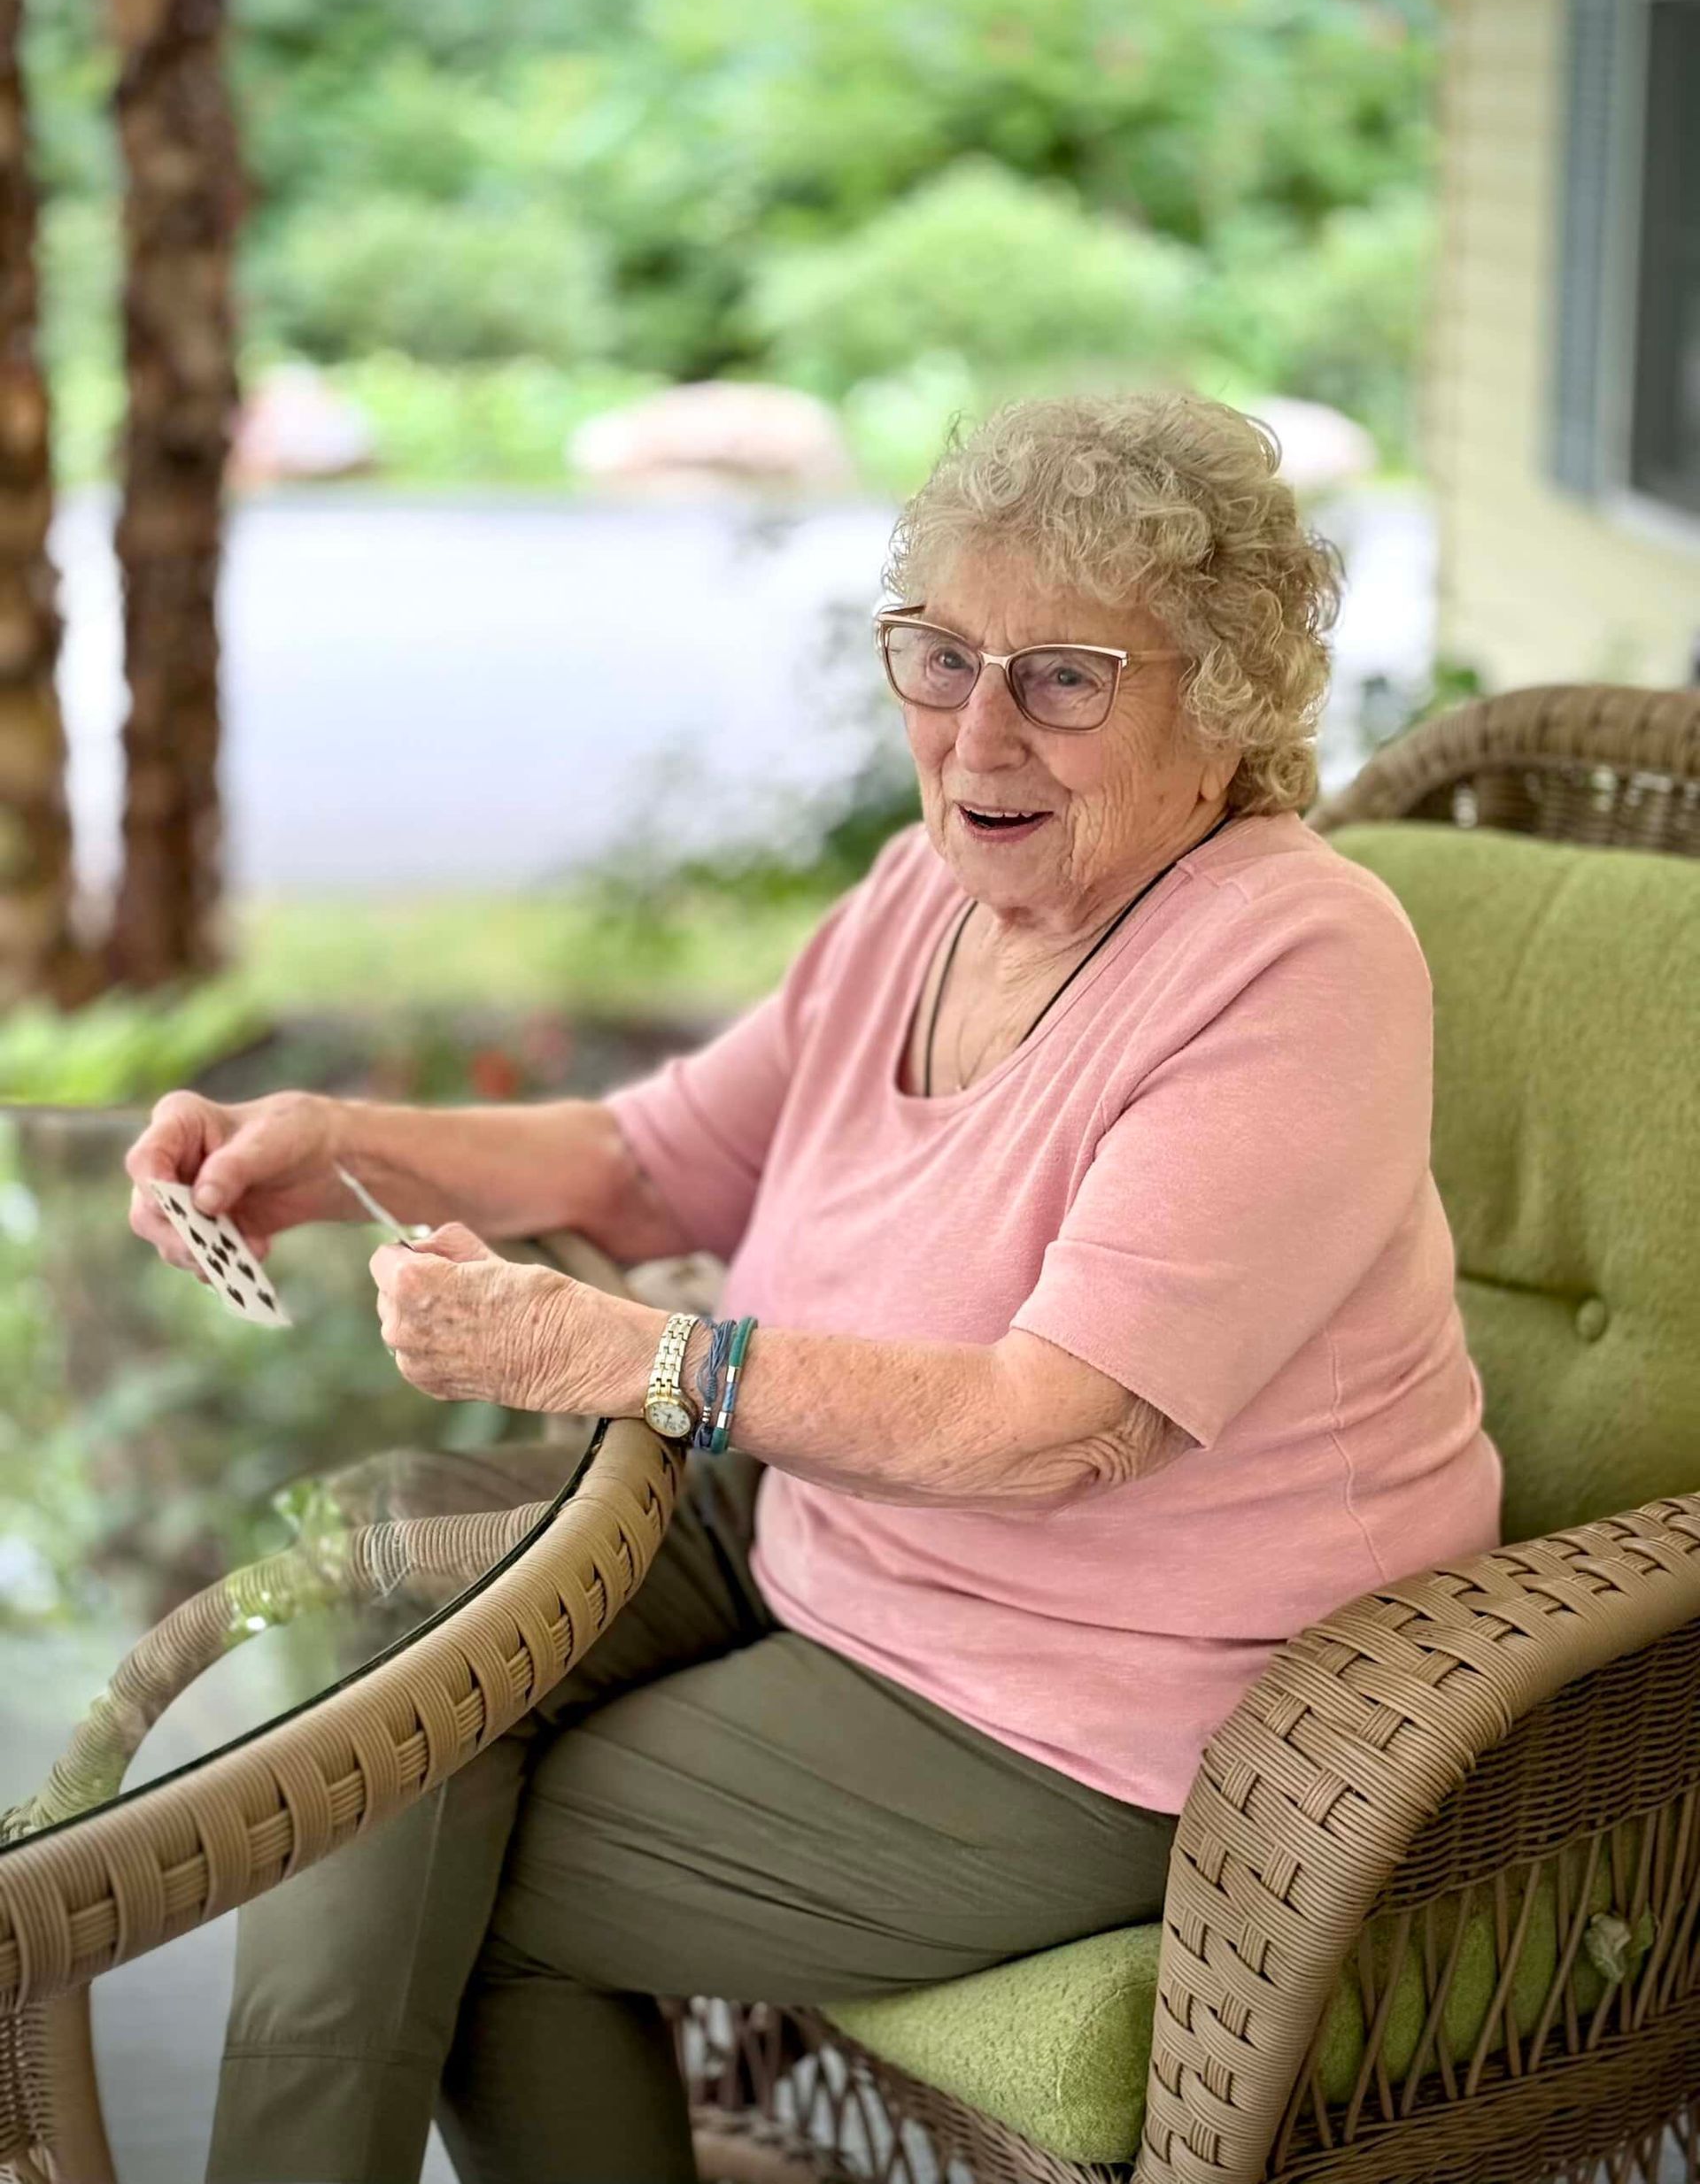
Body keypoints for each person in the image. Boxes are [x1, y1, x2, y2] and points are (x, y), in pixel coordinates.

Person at [128, 390, 1503, 2184]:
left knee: (402, 1849)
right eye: (940, 655)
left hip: (1095, 1701)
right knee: (387, 1564)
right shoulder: (922, 897)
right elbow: (647, 1163)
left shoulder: (1294, 963)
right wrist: (328, 1143)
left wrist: (636, 1357)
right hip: (826, 1534)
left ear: (1225, 702)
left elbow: (1053, 1426)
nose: (979, 729)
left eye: (1066, 677)